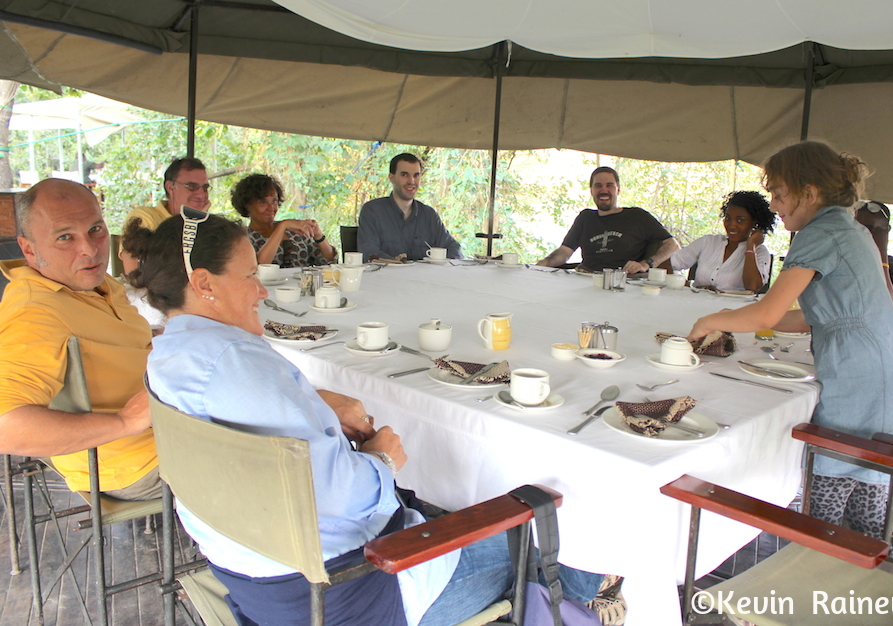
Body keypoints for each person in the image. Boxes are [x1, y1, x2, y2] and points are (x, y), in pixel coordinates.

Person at [127, 210, 602, 626]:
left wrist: (311, 402)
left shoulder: (168, 355)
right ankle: (576, 608)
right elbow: (346, 495)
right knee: (571, 533)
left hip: (260, 584)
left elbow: (243, 413)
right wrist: (381, 460)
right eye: (249, 274)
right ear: (204, 283)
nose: (260, 288)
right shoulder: (239, 362)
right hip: (356, 593)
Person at [687, 141, 893, 537]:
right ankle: (874, 594)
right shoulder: (849, 228)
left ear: (809, 192)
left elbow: (768, 310)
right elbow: (813, 316)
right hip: (887, 390)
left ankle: (818, 591)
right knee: (870, 532)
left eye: (778, 193)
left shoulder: (818, 233)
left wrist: (712, 319)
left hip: (855, 395)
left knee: (822, 530)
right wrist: (755, 326)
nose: (773, 204)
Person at [0, 179, 158, 500]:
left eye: (95, 230)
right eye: (64, 237)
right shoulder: (36, 310)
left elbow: (123, 340)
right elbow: (6, 427)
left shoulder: (95, 282)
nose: (89, 249)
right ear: (30, 249)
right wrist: (124, 422)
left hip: (169, 420)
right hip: (135, 461)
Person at [537, 166, 679, 273]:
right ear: (591, 190)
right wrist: (545, 263)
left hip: (622, 283)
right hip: (586, 279)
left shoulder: (637, 216)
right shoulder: (585, 218)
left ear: (618, 189)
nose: (603, 190)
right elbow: (565, 251)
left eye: (609, 185)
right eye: (598, 186)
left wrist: (646, 263)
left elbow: (672, 245)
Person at [358, 153, 462, 261]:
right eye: (404, 175)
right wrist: (401, 265)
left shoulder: (429, 215)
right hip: (386, 276)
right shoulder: (372, 211)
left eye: (416, 175)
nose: (411, 181)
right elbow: (369, 254)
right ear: (392, 178)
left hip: (426, 277)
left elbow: (454, 249)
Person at [669, 190, 776, 293]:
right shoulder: (708, 242)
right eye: (728, 218)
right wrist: (682, 282)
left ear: (754, 223)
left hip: (733, 310)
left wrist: (750, 246)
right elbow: (668, 264)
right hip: (696, 304)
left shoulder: (760, 252)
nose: (731, 225)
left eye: (740, 220)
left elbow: (753, 287)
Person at [119, 157, 211, 276]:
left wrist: (200, 221)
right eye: (192, 186)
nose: (201, 194)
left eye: (205, 188)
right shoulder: (146, 216)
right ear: (170, 187)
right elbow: (133, 273)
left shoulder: (207, 224)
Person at [230, 173, 336, 267]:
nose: (271, 207)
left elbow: (329, 261)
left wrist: (319, 236)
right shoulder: (243, 238)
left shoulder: (294, 231)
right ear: (247, 205)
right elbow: (258, 267)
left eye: (274, 201)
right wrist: (282, 227)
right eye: (263, 202)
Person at [853, 200, 893, 311]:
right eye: (858, 228)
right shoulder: (840, 262)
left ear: (885, 230)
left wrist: (881, 252)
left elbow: (887, 303)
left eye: (869, 229)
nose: (863, 234)